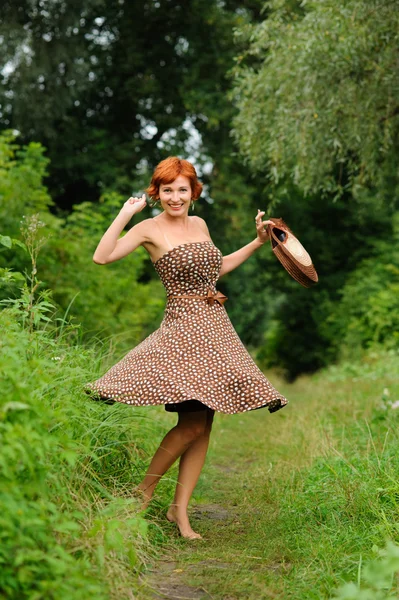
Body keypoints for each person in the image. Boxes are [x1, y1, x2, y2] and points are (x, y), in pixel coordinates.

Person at [85, 156, 288, 540]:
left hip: (214, 329)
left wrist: (258, 242)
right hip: (182, 331)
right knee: (192, 422)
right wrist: (125, 214)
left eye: (182, 190)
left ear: (193, 192)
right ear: (156, 193)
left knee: (203, 423)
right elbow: (102, 256)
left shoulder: (200, 223)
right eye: (167, 191)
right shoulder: (149, 228)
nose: (175, 198)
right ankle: (141, 496)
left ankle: (179, 511)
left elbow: (218, 268)